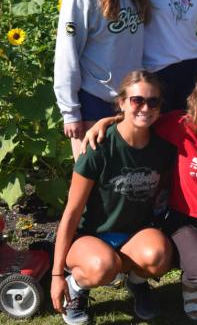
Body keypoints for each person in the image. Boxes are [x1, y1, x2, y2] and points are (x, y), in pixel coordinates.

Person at [85, 56, 197, 320]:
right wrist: (108, 121)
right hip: (186, 221)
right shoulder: (181, 125)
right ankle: (191, 286)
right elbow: (140, 118)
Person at [51, 70, 175, 325]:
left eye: (153, 102)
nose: (145, 107)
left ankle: (137, 283)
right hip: (91, 236)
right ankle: (77, 287)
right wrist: (56, 275)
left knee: (160, 255)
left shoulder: (161, 147)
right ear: (121, 102)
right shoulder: (98, 146)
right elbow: (72, 212)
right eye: (137, 100)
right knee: (102, 267)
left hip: (133, 234)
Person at [55, 0, 150, 159]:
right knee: (91, 177)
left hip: (129, 101)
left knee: (120, 181)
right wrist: (70, 112)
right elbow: (67, 52)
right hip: (93, 99)